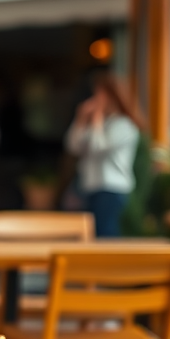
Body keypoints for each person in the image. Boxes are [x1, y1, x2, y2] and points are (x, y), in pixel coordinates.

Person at [65, 75, 141, 237]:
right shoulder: (99, 125)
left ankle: (110, 263)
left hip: (111, 188)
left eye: (100, 96)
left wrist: (96, 119)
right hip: (90, 186)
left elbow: (98, 147)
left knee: (105, 233)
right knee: (91, 234)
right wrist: (80, 120)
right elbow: (73, 146)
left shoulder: (125, 125)